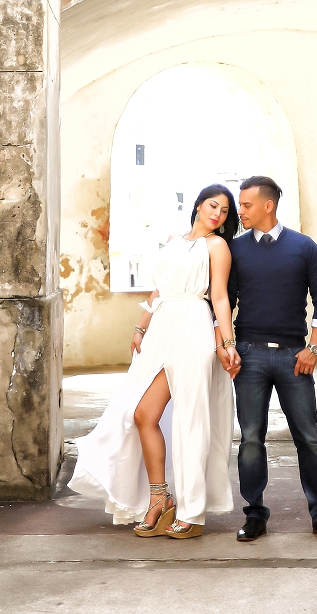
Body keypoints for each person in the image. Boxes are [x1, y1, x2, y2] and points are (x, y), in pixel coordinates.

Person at [69, 184, 241, 538]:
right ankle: (159, 498)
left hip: (193, 326)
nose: (217, 215)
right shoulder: (176, 240)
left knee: (190, 420)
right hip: (163, 327)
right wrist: (141, 326)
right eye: (213, 206)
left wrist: (226, 342)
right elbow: (160, 288)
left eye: (224, 212)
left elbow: (220, 297)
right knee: (142, 413)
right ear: (197, 205)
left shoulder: (217, 246)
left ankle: (192, 512)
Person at [226, 175, 317, 543]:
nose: (240, 211)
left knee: (309, 439)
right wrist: (226, 345)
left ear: (268, 206)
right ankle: (255, 515)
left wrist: (313, 347)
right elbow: (223, 302)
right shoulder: (235, 249)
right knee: (250, 439)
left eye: (245, 205)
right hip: (248, 357)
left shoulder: (304, 247)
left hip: (295, 357)